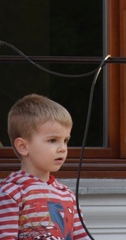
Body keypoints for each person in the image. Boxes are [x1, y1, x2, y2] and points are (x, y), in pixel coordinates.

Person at [0, 94, 90, 239]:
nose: (62, 148)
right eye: (53, 140)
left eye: (65, 140)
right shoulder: (11, 193)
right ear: (23, 146)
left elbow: (81, 236)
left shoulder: (68, 195)